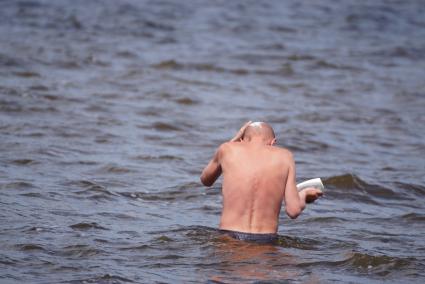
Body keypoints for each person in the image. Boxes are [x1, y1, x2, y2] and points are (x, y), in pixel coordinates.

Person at [200, 121, 323, 243]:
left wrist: (232, 142)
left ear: (241, 140)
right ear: (273, 142)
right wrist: (304, 195)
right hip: (266, 240)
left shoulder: (227, 149)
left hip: (228, 237)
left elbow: (206, 180)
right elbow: (293, 211)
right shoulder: (285, 156)